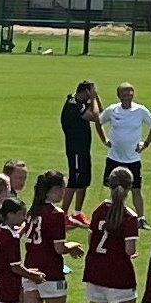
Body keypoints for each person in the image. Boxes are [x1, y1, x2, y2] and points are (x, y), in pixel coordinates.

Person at [22, 170, 86, 303]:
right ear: (56, 189)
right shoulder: (56, 214)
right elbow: (59, 248)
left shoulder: (33, 210)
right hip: (50, 272)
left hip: (30, 269)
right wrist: (72, 246)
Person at [82, 167, 141, 303]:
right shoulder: (129, 216)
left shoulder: (99, 210)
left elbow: (91, 239)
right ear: (130, 188)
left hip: (96, 271)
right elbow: (129, 250)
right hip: (119, 275)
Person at [96, 82, 151, 228]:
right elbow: (98, 122)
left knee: (136, 189)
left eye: (130, 92)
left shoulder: (140, 110)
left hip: (133, 159)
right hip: (114, 158)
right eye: (124, 92)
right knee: (113, 189)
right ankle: (112, 215)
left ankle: (141, 219)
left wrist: (146, 143)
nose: (128, 95)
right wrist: (104, 140)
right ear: (119, 95)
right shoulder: (112, 110)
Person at [61, 80, 102, 213]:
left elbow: (100, 112)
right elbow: (95, 116)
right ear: (85, 92)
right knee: (74, 181)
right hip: (76, 150)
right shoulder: (74, 105)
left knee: (84, 181)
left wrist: (95, 97)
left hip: (84, 149)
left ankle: (77, 213)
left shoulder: (81, 103)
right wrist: (93, 98)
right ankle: (63, 214)